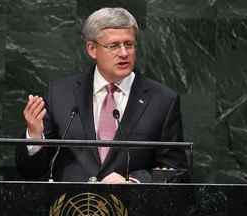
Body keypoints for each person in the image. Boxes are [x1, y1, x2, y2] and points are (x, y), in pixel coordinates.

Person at [16, 7, 188, 183]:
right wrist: (35, 137)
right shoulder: (60, 94)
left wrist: (135, 182)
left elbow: (176, 171)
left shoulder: (162, 100)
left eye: (128, 44)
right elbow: (30, 172)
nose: (123, 53)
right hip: (72, 206)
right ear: (92, 49)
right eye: (114, 45)